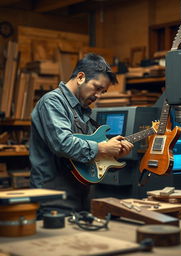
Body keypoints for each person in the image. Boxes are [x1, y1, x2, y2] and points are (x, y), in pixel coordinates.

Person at [29, 53, 134, 216]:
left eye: (103, 92)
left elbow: (91, 158)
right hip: (53, 198)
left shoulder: (83, 111)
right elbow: (62, 144)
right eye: (97, 88)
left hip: (80, 198)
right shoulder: (52, 102)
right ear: (80, 77)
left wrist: (113, 155)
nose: (98, 95)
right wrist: (103, 148)